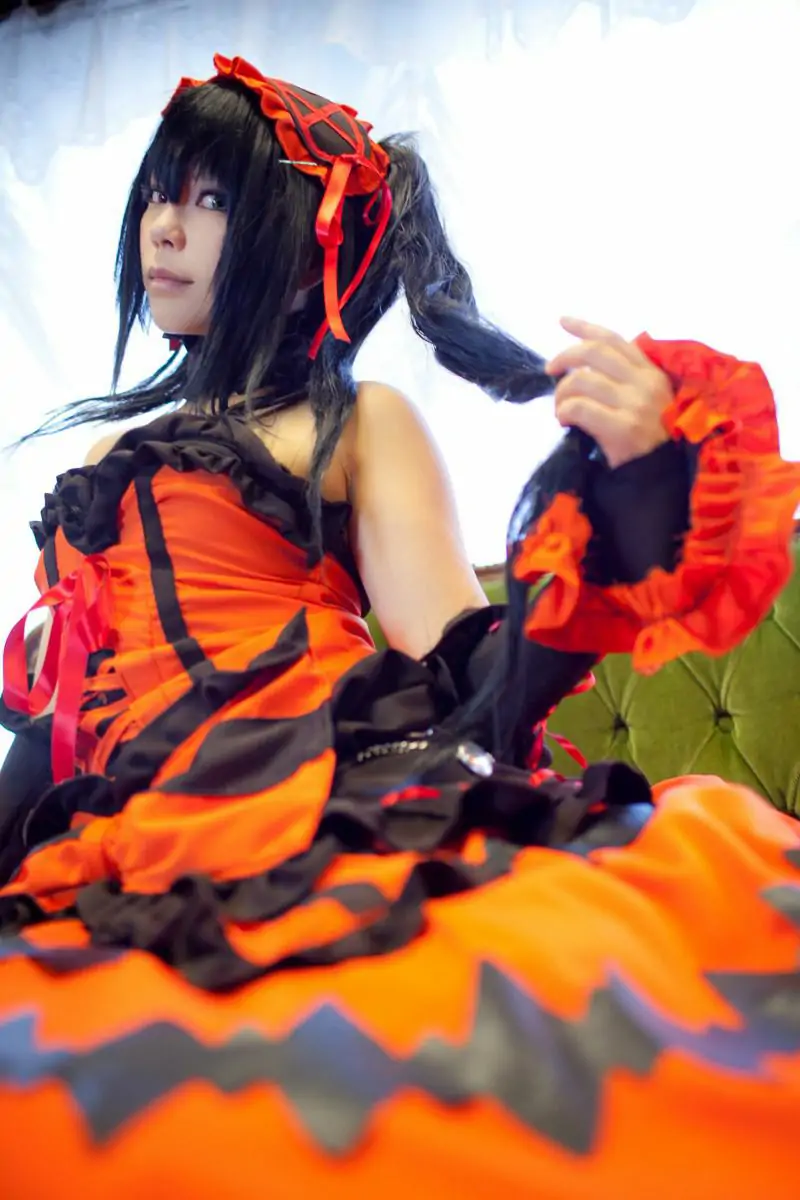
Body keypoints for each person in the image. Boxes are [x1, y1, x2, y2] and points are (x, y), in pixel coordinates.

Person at [0, 52, 798, 1199]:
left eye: (211, 199)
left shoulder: (355, 419)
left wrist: (628, 494)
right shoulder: (98, 459)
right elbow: (57, 731)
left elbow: (466, 665)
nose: (163, 227)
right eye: (159, 194)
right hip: (119, 839)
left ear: (302, 262)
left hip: (321, 791)